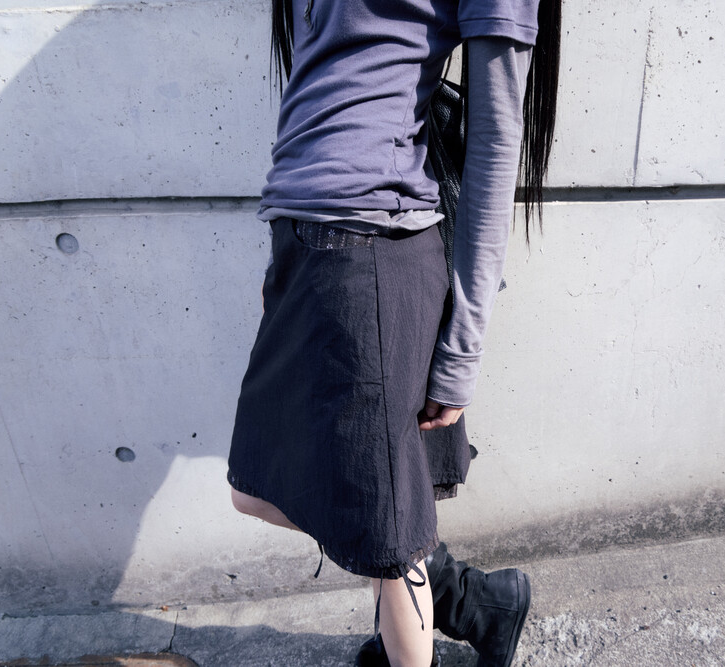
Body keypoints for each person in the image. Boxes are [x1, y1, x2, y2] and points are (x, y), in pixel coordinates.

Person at [227, 0, 561, 665]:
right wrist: (282, 259)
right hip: (305, 245)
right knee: (260, 487)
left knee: (388, 536)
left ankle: (443, 611)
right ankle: (469, 598)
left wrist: (462, 350)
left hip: (371, 254)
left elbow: (496, 146)